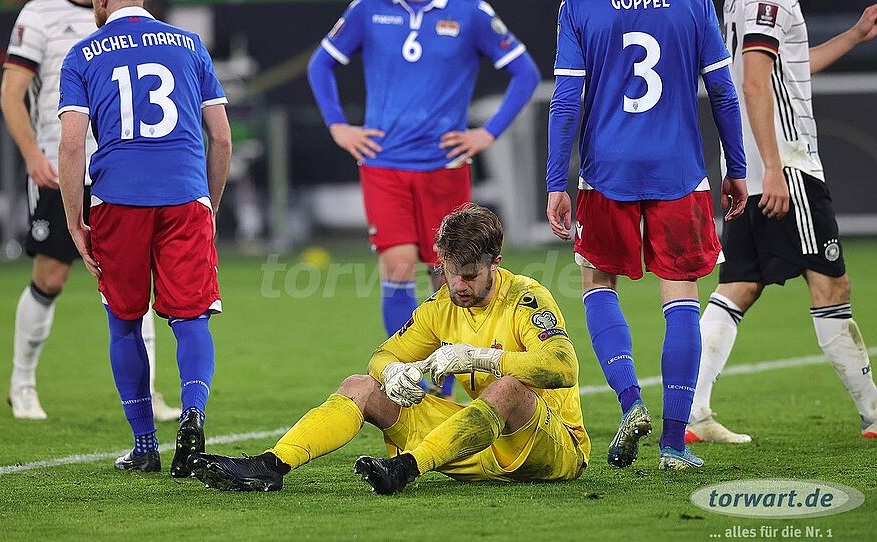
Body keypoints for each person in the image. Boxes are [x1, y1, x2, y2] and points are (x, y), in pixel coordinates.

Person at [187, 205, 590, 494]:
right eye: (451, 273)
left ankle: (405, 469)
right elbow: (382, 356)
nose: (459, 285)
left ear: (495, 263)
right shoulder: (441, 306)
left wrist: (480, 358)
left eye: (470, 275)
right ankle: (270, 466)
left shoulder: (526, 298)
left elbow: (564, 366)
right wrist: (392, 373)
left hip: (551, 449)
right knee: (360, 386)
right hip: (477, 443)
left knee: (507, 389)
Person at [546, 0, 748, 470]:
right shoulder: (694, 3)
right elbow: (722, 89)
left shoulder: (579, 6)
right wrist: (736, 167)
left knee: (598, 283)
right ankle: (674, 446)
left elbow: (566, 99)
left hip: (606, 169)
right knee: (681, 294)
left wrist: (556, 181)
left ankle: (630, 401)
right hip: (678, 169)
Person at [307, 0, 541, 399]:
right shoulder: (368, 9)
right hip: (384, 166)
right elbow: (320, 64)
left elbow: (526, 72)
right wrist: (338, 126)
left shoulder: (471, 12)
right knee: (397, 266)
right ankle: (407, 379)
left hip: (444, 167)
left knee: (448, 274)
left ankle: (443, 386)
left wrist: (488, 132)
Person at [688, 3, 877, 443]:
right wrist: (775, 167)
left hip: (750, 171)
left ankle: (693, 412)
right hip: (787, 168)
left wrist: (853, 35)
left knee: (738, 286)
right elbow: (754, 83)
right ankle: (873, 412)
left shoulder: (742, 3)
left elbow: (786, 70)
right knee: (831, 286)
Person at [57, 0, 232, 475]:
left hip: (117, 200)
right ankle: (193, 415)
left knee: (124, 321)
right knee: (192, 317)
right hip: (185, 195)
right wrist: (210, 204)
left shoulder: (83, 53)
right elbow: (221, 137)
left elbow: (72, 145)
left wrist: (74, 221)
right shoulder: (189, 44)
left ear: (101, 2)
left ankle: (145, 446)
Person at [0, 0, 179, 421]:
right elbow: (11, 93)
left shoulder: (126, 16)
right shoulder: (39, 13)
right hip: (58, 166)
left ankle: (148, 390)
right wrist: (32, 155)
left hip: (118, 168)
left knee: (135, 278)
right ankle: (21, 383)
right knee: (51, 276)